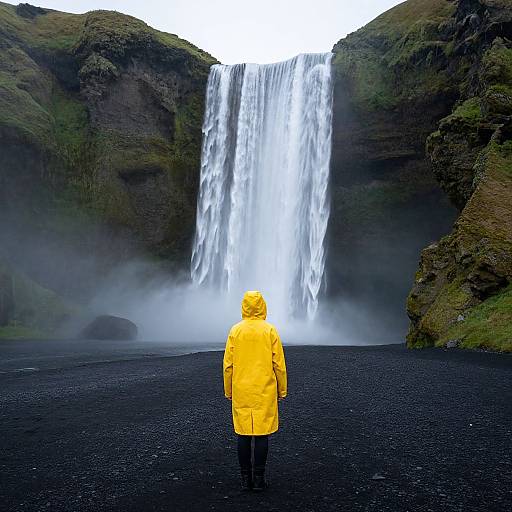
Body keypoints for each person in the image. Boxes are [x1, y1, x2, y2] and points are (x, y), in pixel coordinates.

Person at [223, 290, 287, 491]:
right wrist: (282, 390)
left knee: (243, 434)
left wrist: (228, 390)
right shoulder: (270, 331)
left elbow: (228, 365)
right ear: (262, 306)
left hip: (242, 388)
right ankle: (259, 479)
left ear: (244, 306)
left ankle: (245, 479)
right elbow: (279, 364)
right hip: (264, 389)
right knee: (261, 434)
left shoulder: (235, 331)